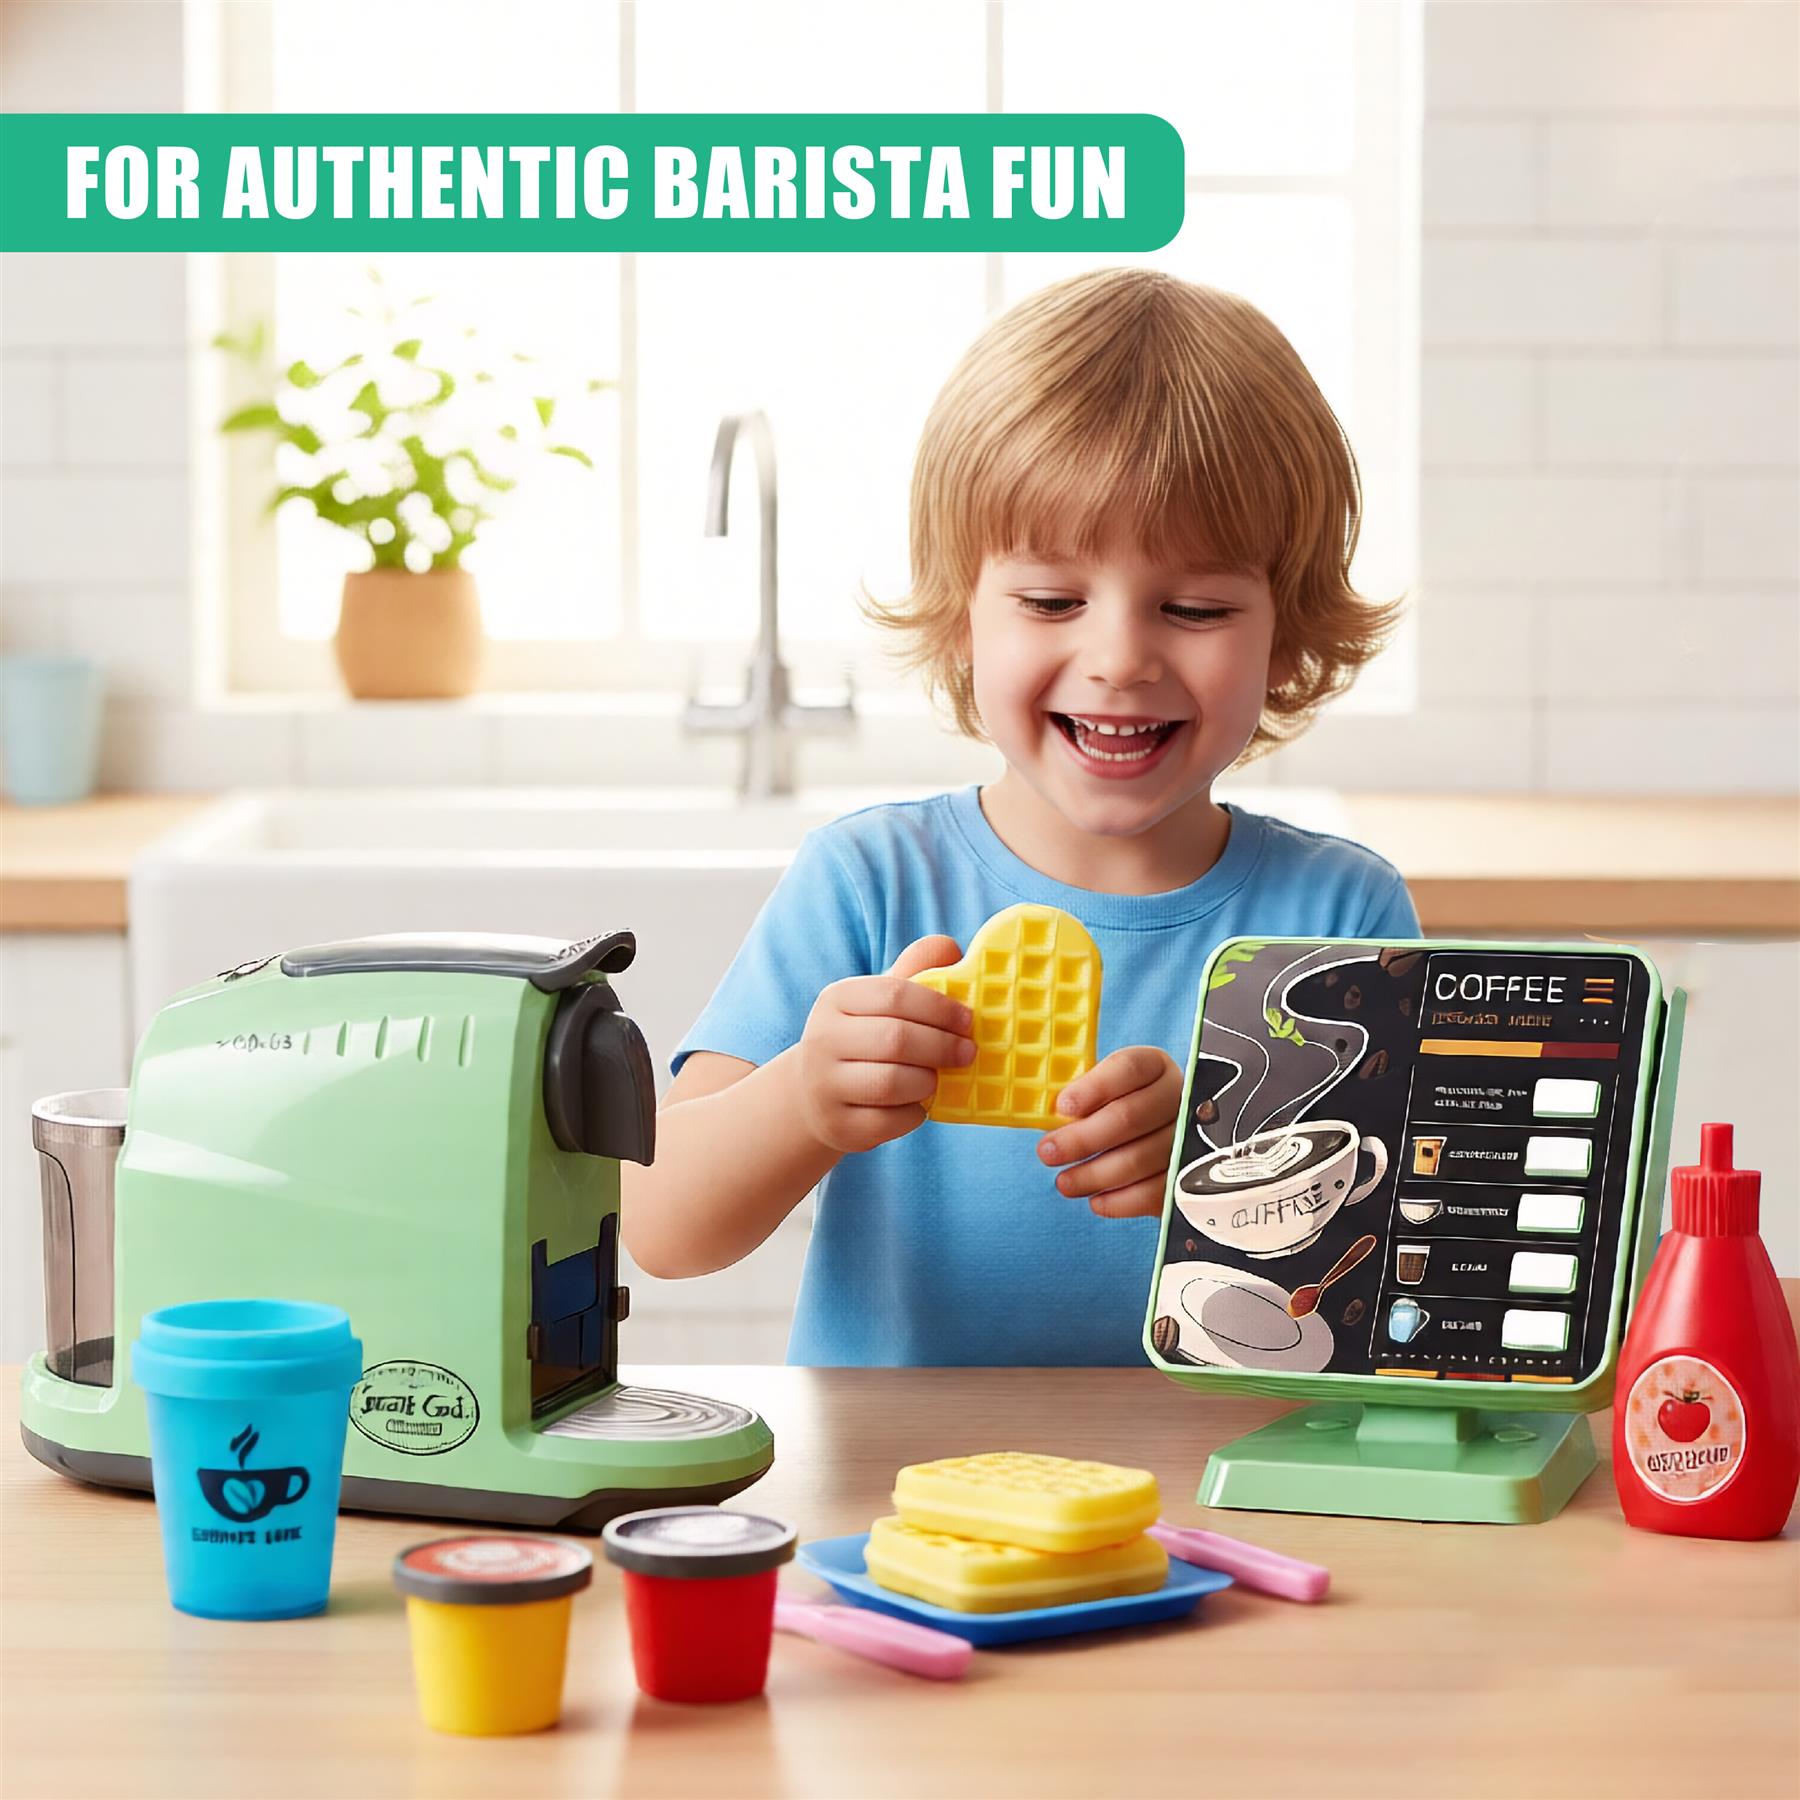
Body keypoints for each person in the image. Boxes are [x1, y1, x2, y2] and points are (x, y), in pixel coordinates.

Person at [622, 267, 1419, 1365]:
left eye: (1193, 608)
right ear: (962, 617)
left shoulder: (1339, 910)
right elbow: (661, 1230)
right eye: (1051, 600)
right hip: (904, 1511)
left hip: (1226, 1496)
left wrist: (1211, 1179)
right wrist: (804, 1096)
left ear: (1287, 636)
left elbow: (1403, 1292)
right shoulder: (869, 882)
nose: (1120, 657)